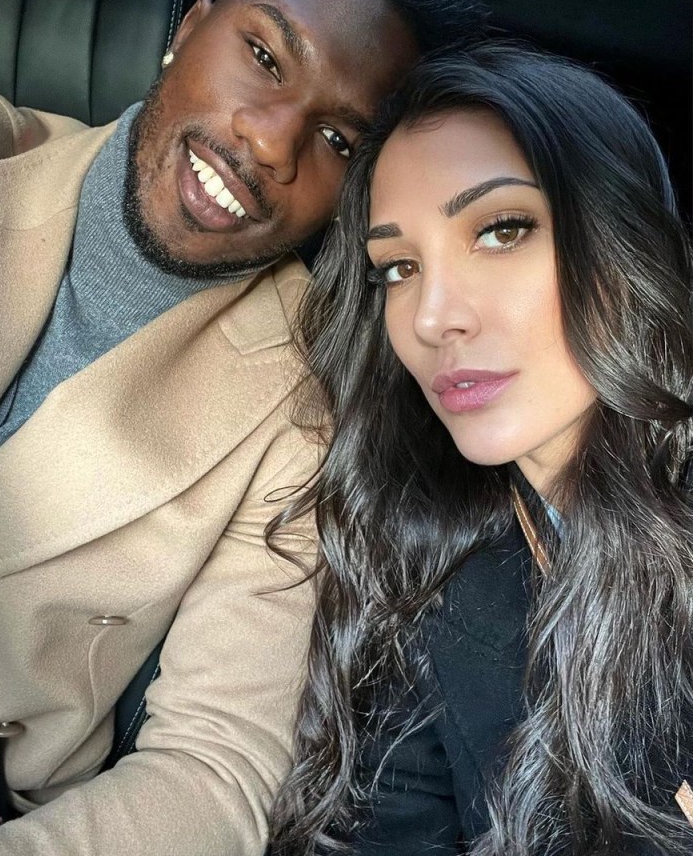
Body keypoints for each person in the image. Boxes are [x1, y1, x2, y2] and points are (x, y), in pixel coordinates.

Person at [0, 0, 487, 855]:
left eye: (340, 142)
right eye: (265, 57)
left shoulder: (302, 429)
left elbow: (214, 774)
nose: (270, 143)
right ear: (189, 27)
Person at [269, 43, 693, 855]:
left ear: (624, 244)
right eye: (395, 269)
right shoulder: (433, 555)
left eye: (502, 230)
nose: (432, 318)